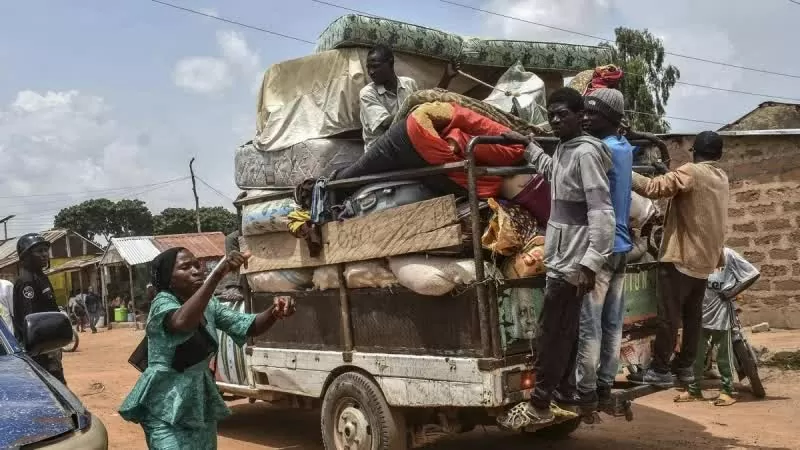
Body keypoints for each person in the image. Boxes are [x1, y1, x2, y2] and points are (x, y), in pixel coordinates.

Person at [498, 87, 616, 429]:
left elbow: (602, 211)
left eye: (563, 114)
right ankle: (564, 394)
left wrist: (590, 262)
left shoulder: (587, 154)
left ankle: (539, 403)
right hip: (561, 258)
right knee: (565, 331)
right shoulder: (566, 149)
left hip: (574, 262)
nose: (555, 120)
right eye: (552, 115)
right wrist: (527, 144)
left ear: (581, 116)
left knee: (553, 332)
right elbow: (552, 171)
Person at [119, 247, 295, 449]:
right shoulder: (163, 302)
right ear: (169, 278)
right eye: (185, 267)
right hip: (164, 404)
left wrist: (274, 312)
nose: (196, 270)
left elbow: (248, 326)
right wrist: (217, 274)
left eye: (197, 265)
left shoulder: (209, 304)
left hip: (199, 402)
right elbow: (182, 322)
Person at [629, 131, 730, 387]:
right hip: (705, 260)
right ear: (718, 155)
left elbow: (653, 189)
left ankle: (660, 369)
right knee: (692, 317)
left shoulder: (692, 172)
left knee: (669, 316)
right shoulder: (720, 176)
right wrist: (667, 171)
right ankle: (684, 367)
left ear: (694, 152)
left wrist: (622, 170)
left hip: (682, 256)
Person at [574, 88, 633, 409]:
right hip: (622, 245)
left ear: (610, 118)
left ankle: (586, 390)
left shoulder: (599, 151)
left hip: (601, 248)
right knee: (613, 323)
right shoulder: (623, 148)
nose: (585, 118)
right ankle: (605, 383)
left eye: (592, 114)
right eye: (584, 112)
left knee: (591, 325)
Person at [674, 247, 759, 406]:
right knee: (696, 356)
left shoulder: (728, 254)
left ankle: (727, 391)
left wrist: (732, 292)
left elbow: (753, 273)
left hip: (721, 315)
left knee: (723, 356)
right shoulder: (694, 253)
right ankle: (694, 390)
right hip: (698, 314)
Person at [360, 44, 459, 149]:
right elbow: (386, 124)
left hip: (405, 142)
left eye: (375, 66)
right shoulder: (367, 93)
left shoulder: (409, 83)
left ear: (390, 63)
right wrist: (416, 108)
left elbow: (426, 103)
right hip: (380, 148)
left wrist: (447, 77)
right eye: (368, 67)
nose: (371, 72)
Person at [12, 233, 67, 384]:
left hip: (48, 346)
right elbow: (30, 321)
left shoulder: (40, 276)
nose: (44, 254)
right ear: (26, 256)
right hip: (39, 351)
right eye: (39, 251)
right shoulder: (26, 281)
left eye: (45, 250)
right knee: (56, 390)